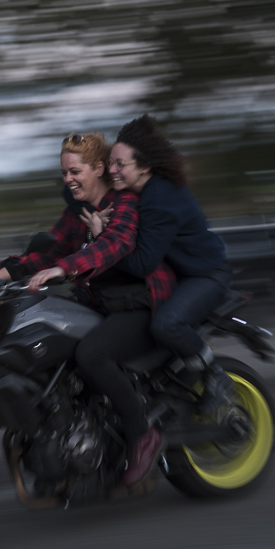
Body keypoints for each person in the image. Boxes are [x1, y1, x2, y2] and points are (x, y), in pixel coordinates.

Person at [0, 132, 176, 487]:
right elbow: (42, 256)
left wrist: (65, 268)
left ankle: (143, 434)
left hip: (140, 305)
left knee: (91, 353)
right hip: (100, 305)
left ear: (98, 169)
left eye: (75, 171)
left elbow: (114, 244)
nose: (68, 179)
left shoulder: (126, 203)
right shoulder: (77, 214)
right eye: (64, 174)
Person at [102, 114, 234, 413]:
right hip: (182, 273)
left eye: (120, 164)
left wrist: (103, 242)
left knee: (166, 324)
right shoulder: (145, 191)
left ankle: (215, 375)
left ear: (145, 166)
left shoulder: (159, 198)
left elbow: (142, 264)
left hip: (205, 275)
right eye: (111, 163)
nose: (112, 170)